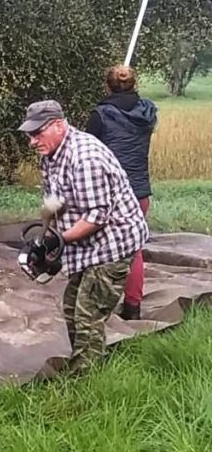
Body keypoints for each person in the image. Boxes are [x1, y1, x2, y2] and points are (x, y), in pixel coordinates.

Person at [18, 99, 149, 375]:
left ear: (57, 125)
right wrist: (43, 241)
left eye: (37, 133)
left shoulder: (85, 157)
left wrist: (58, 241)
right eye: (29, 134)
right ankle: (83, 362)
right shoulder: (51, 154)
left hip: (113, 243)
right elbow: (55, 201)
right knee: (70, 307)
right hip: (87, 245)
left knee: (87, 314)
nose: (32, 141)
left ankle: (85, 380)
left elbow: (96, 217)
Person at [86, 65, 157, 320]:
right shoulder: (148, 113)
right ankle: (132, 308)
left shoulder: (100, 116)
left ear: (107, 85)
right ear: (134, 84)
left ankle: (98, 308)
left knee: (99, 248)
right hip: (139, 194)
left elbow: (86, 152)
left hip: (110, 194)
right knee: (134, 250)